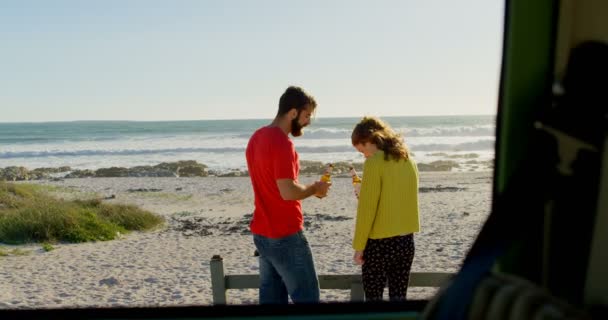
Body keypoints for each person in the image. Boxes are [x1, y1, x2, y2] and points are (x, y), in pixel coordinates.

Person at [245, 86, 331, 304]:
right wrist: (315, 189)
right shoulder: (282, 143)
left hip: (262, 233)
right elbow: (288, 192)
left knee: (272, 302)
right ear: (293, 113)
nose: (308, 121)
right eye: (307, 115)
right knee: (308, 299)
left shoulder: (256, 137)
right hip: (285, 233)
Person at [350, 116, 420, 302]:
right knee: (399, 298)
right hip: (406, 241)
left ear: (372, 140)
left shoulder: (373, 163)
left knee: (374, 302)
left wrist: (359, 247)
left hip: (379, 244)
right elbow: (401, 198)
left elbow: (367, 210)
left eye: (362, 149)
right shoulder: (408, 160)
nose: (364, 154)